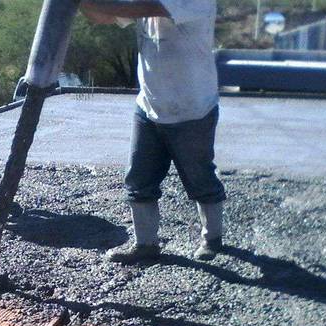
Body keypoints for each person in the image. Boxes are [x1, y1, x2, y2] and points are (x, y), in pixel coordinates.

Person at [80, 0, 226, 263]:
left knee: (200, 178)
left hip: (192, 110)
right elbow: (102, 17)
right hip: (149, 106)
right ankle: (146, 244)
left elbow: (140, 8)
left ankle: (212, 238)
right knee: (139, 180)